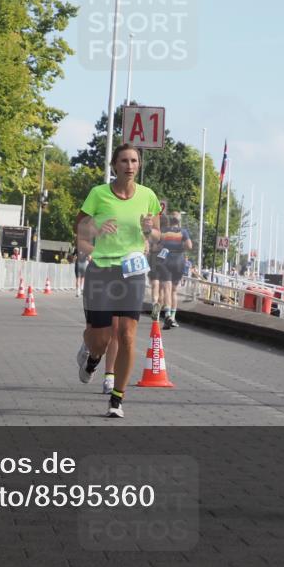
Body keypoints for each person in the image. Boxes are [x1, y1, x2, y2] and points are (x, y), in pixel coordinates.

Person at [75, 144, 161, 418]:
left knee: (126, 335)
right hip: (101, 269)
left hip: (132, 270)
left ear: (139, 164)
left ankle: (117, 399)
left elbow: (157, 236)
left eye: (134, 160)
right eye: (124, 160)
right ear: (114, 165)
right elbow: (80, 232)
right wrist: (97, 229)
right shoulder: (98, 194)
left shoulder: (148, 196)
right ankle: (91, 354)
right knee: (101, 339)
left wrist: (149, 231)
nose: (129, 165)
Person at [155, 211, 193, 329]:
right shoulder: (183, 232)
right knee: (173, 291)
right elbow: (189, 246)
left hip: (165, 261)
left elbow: (157, 246)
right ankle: (172, 317)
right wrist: (180, 247)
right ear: (179, 220)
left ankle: (165, 315)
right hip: (179, 262)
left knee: (165, 289)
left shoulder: (164, 231)